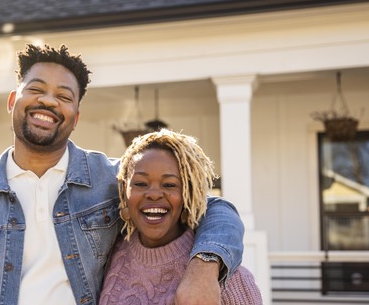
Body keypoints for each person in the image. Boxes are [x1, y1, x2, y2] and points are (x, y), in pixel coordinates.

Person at [0, 44, 245, 305]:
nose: (48, 101)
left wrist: (204, 266)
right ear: (12, 101)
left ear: (75, 118)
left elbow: (213, 207)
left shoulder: (112, 179)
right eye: (36, 89)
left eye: (64, 96)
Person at [99, 130, 262, 305]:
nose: (154, 194)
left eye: (169, 184)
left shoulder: (224, 279)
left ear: (188, 196)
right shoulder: (108, 255)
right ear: (124, 192)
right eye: (140, 183)